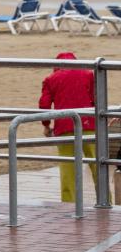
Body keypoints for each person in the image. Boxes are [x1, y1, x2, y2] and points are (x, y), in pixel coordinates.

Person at [39, 51, 97, 203]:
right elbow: (97, 98)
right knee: (98, 164)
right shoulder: (88, 74)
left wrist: (46, 125)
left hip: (65, 126)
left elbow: (44, 105)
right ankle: (105, 200)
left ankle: (69, 204)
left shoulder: (51, 79)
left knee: (68, 167)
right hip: (89, 124)